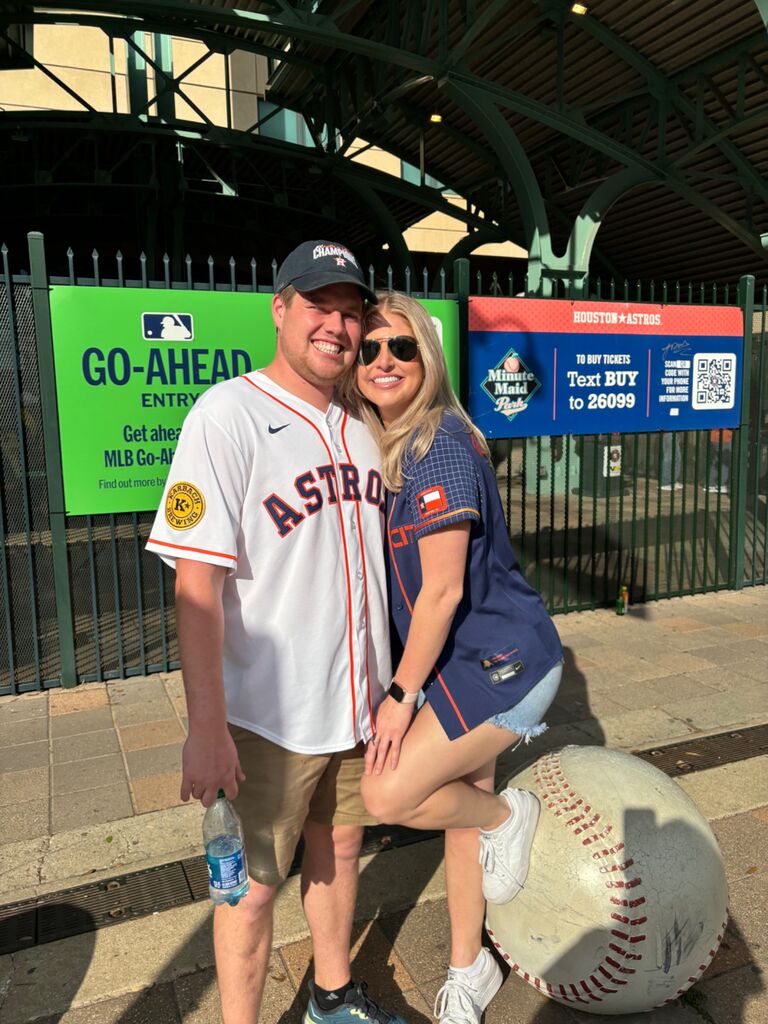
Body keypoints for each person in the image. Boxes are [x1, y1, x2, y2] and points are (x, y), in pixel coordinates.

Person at [147, 242, 407, 1024]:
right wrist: (204, 728)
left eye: (349, 309)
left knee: (339, 854)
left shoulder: (364, 419)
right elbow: (197, 586)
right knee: (254, 888)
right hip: (270, 717)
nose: (336, 323)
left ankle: (332, 994)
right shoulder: (225, 414)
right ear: (281, 309)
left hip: (359, 706)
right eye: (318, 304)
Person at [339, 293, 564, 1024]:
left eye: (401, 348)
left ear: (428, 360)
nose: (383, 361)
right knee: (454, 813)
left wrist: (398, 699)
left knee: (389, 793)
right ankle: (471, 971)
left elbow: (438, 595)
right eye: (369, 349)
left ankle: (508, 817)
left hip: (504, 666)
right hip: (459, 667)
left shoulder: (439, 442)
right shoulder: (389, 443)